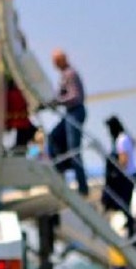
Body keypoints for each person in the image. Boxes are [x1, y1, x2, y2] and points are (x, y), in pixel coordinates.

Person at [47, 48, 89, 196]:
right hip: (70, 113)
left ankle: (82, 187)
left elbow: (75, 97)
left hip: (75, 112)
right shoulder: (65, 75)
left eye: (56, 62)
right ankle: (62, 167)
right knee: (54, 137)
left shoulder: (70, 74)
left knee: (74, 151)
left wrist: (58, 101)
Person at [101, 115, 136, 235]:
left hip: (127, 176)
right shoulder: (126, 138)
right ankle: (130, 226)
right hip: (131, 174)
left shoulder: (121, 140)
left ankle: (131, 226)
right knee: (125, 203)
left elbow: (123, 160)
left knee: (122, 202)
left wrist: (115, 171)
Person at [4, 77, 37, 153]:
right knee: (24, 145)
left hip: (16, 124)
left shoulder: (8, 94)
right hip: (24, 124)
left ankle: (28, 153)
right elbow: (27, 105)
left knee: (20, 146)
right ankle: (31, 154)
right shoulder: (21, 93)